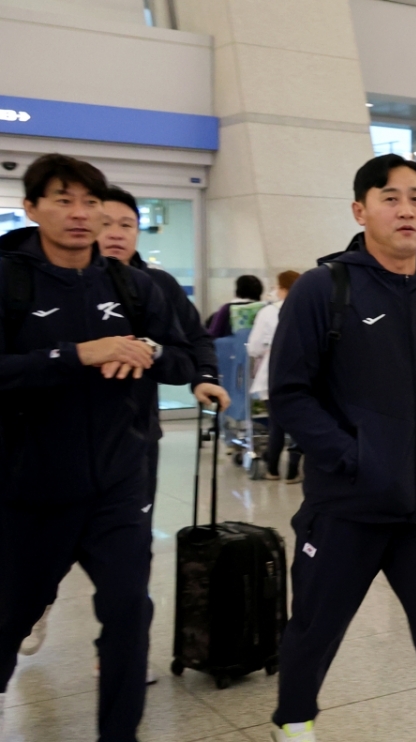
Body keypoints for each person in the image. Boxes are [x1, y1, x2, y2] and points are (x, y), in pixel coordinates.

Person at [268, 153, 416, 742]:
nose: (407, 209)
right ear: (360, 211)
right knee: (314, 630)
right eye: (391, 198)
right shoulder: (324, 289)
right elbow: (288, 392)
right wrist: (351, 458)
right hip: (347, 508)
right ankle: (293, 723)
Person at [0, 154, 194, 742]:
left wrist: (148, 352)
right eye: (63, 200)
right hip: (30, 488)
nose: (80, 214)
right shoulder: (10, 280)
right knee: (10, 618)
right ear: (32, 208)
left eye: (90, 202)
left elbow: (182, 358)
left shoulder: (133, 285)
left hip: (118, 486)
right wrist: (77, 355)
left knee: (129, 612)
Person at [248, 270, 303, 483]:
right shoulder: (309, 307)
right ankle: (293, 469)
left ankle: (272, 469)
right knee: (300, 421)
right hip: (302, 372)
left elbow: (253, 347)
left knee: (276, 424)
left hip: (271, 374)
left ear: (283, 288)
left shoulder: (268, 312)